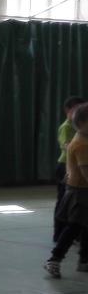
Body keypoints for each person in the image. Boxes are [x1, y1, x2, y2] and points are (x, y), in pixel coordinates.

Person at [46, 103, 88, 278]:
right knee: (74, 227)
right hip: (80, 193)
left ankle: (84, 260)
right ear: (83, 123)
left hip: (79, 189)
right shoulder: (81, 145)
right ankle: (54, 260)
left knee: (85, 227)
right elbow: (86, 172)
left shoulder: (81, 139)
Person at [54, 95, 84, 242]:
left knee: (76, 203)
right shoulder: (66, 127)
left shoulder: (80, 127)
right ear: (68, 110)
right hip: (65, 167)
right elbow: (67, 146)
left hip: (76, 167)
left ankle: (76, 234)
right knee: (63, 201)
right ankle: (59, 234)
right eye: (78, 109)